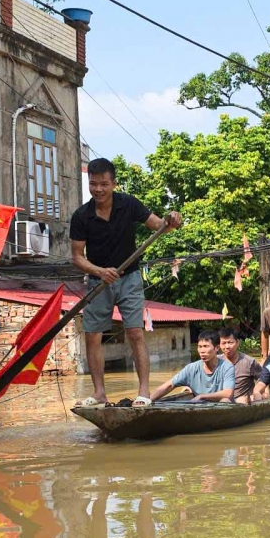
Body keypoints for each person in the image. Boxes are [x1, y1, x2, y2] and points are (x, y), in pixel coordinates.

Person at [70, 157, 183, 406]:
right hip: (98, 282)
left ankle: (143, 392)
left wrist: (171, 221)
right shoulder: (81, 216)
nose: (98, 189)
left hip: (129, 278)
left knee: (135, 332)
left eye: (103, 184)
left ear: (113, 183)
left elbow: (159, 225)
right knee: (92, 335)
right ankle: (99, 393)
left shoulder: (128, 204)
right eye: (93, 184)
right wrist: (100, 271)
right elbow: (77, 257)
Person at [149, 331, 234, 403]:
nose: (202, 351)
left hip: (219, 407)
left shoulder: (227, 367)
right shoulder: (191, 368)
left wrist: (202, 396)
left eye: (206, 346)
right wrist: (148, 400)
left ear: (216, 348)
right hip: (199, 407)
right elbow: (169, 385)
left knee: (225, 400)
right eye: (200, 347)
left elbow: (228, 393)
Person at [218, 327, 260, 404]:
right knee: (224, 400)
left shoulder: (249, 362)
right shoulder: (216, 361)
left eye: (230, 342)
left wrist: (258, 393)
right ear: (219, 345)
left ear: (237, 342)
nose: (227, 347)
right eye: (223, 343)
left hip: (244, 402)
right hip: (223, 402)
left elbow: (263, 379)